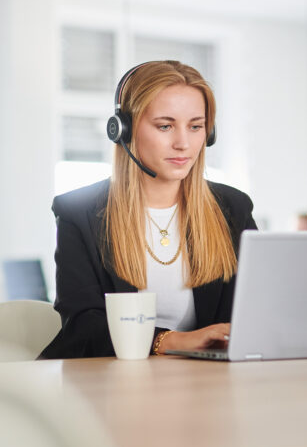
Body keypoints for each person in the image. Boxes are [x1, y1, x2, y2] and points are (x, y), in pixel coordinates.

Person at [38, 60, 256, 359]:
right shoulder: (80, 212)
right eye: (165, 126)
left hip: (205, 383)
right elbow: (82, 327)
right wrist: (170, 341)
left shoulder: (233, 208)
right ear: (123, 130)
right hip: (106, 384)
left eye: (196, 127)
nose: (183, 143)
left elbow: (256, 310)